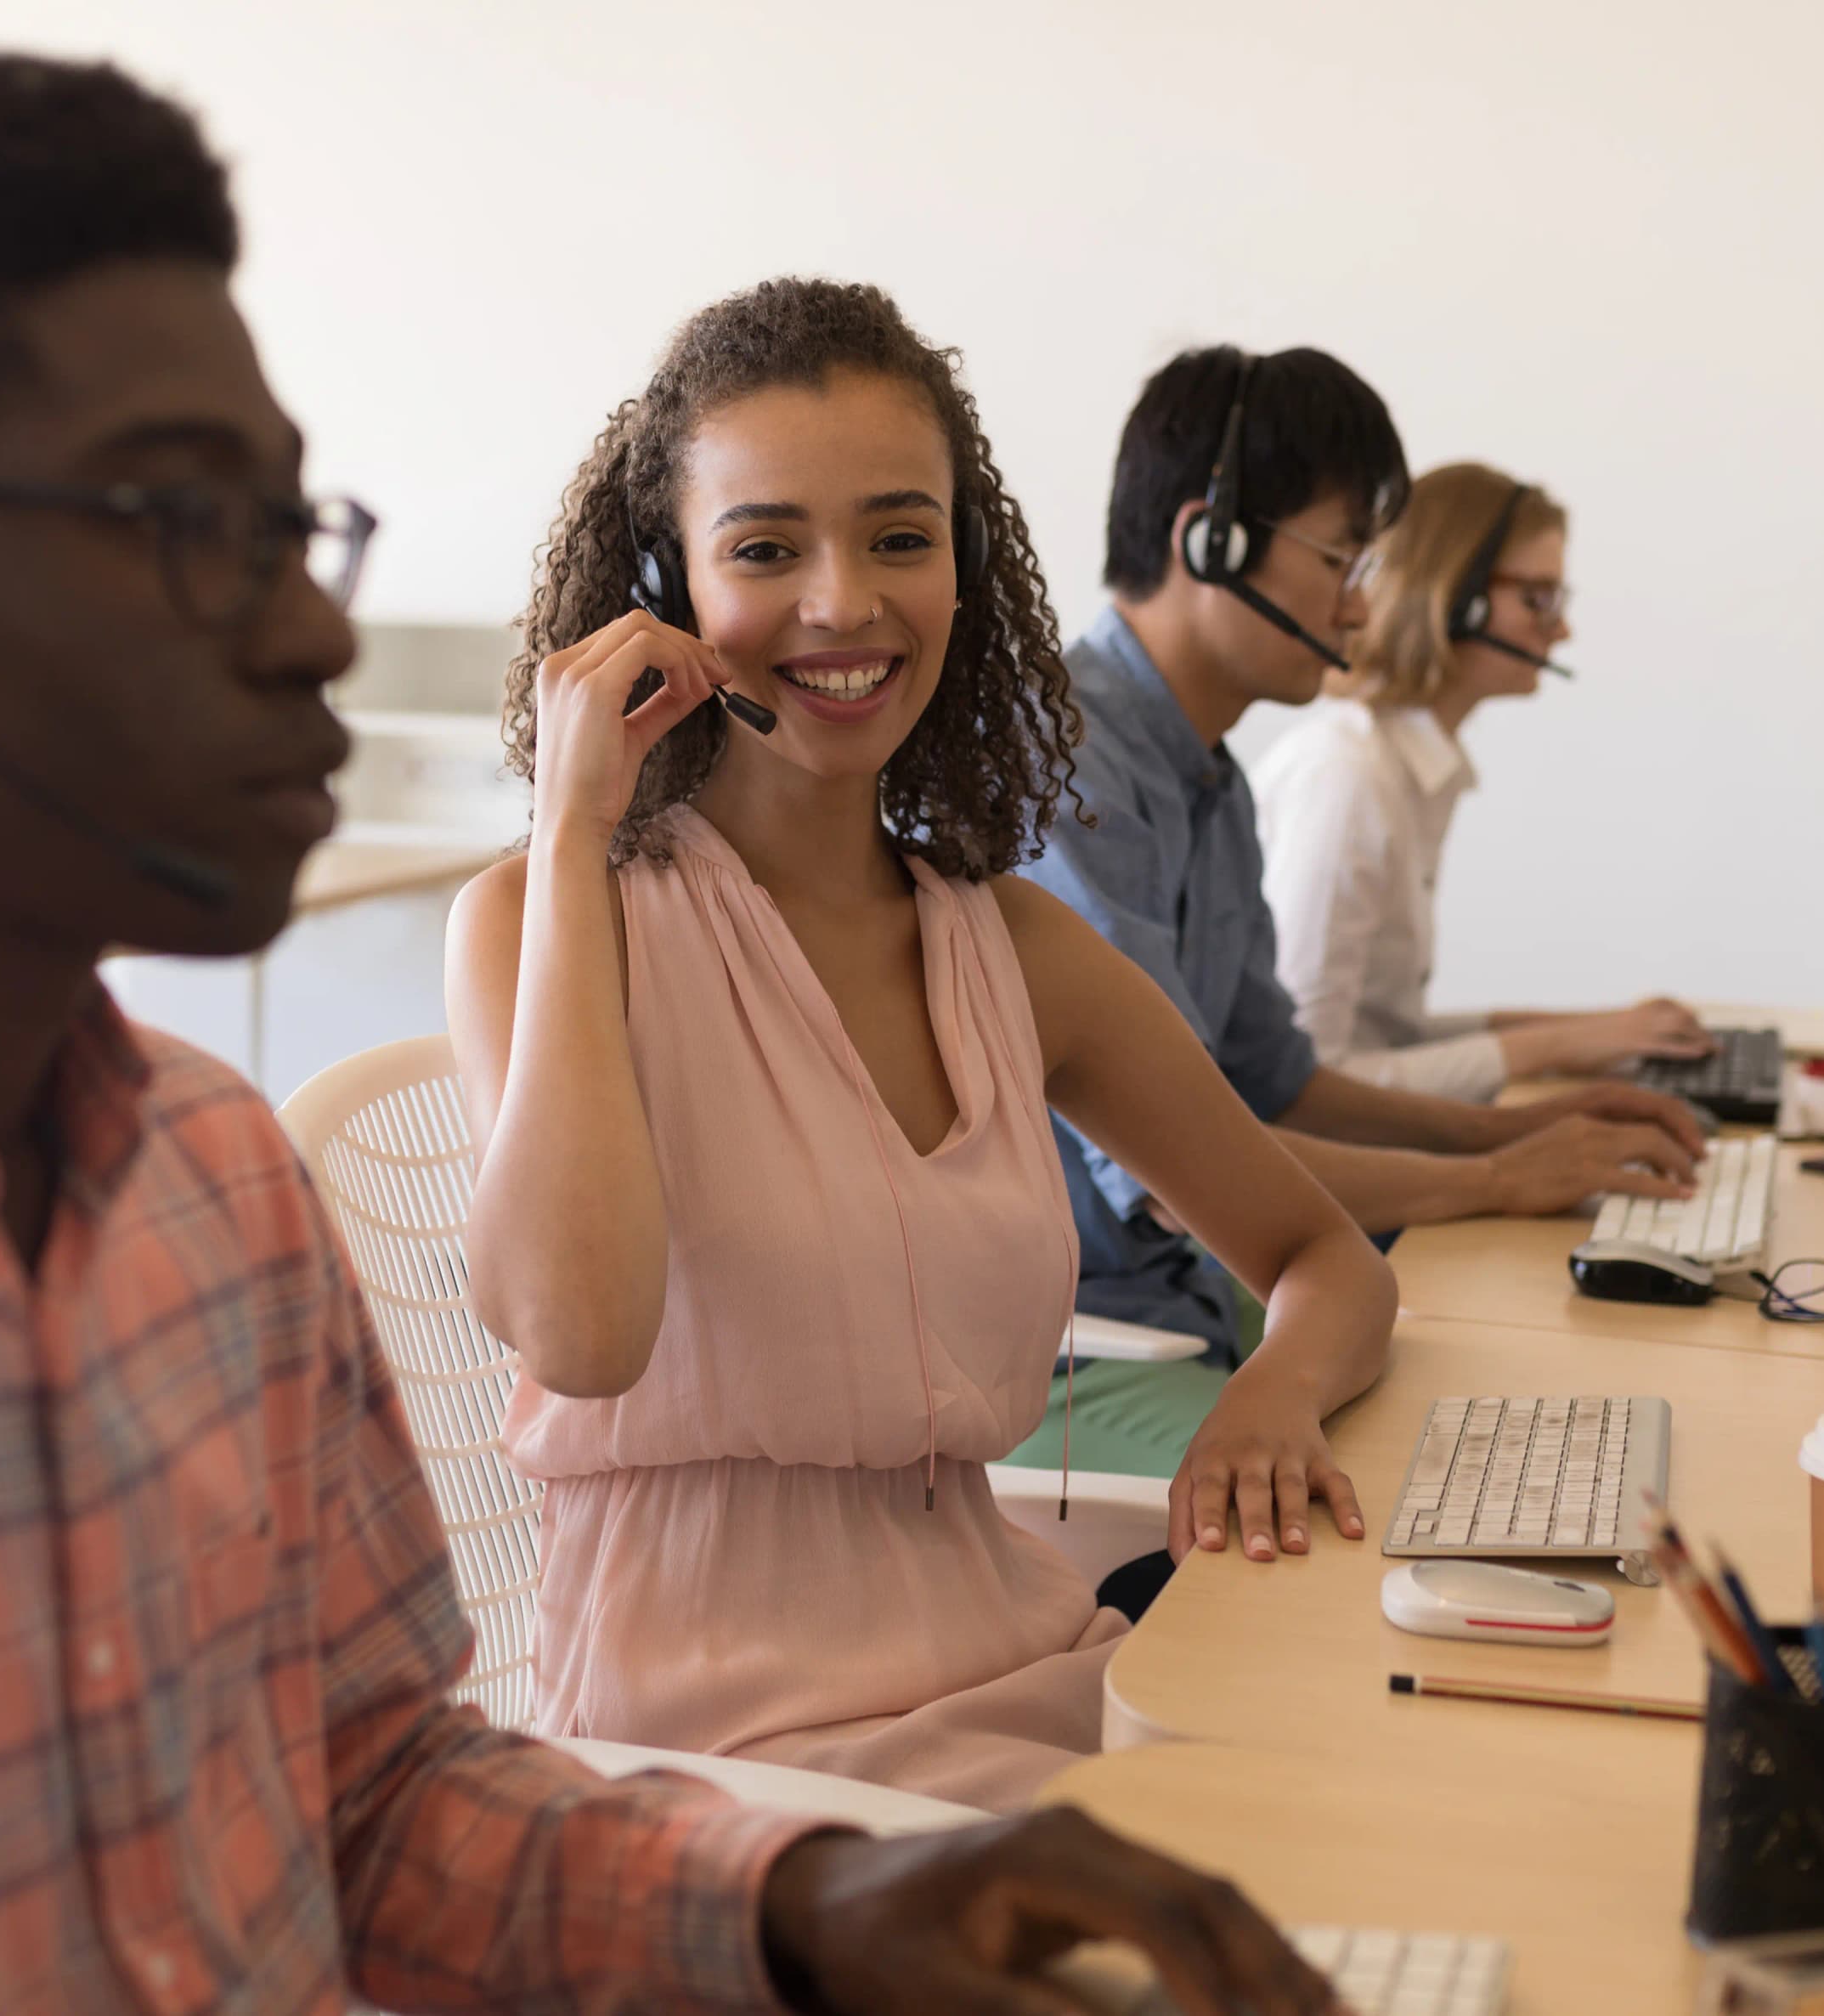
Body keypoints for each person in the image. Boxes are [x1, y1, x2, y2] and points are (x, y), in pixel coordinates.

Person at [0, 42, 1341, 2016]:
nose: (321, 628)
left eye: (292, 523)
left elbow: (375, 1793)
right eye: (182, 523)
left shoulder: (209, 1180)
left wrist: (797, 1906)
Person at [448, 280, 1398, 1810]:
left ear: (967, 568)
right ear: (665, 586)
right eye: (766, 549)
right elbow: (579, 1333)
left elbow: (1328, 1258)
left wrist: (1271, 1399)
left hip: (1019, 1668)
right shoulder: (540, 919)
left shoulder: (1011, 946)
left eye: (901, 537)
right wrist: (572, 827)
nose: (844, 603)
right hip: (725, 1762)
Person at [1015, 347, 1704, 1482]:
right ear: (1210, 542)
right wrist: (1497, 1178)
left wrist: (1518, 1131)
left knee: (1513, 1413)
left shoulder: (1211, 780)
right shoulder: (1068, 770)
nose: (1361, 604)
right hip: (1072, 1350)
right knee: (1422, 1492)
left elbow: (1280, 1083)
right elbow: (1181, 1185)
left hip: (1194, 1305)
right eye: (1342, 559)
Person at [1252, 462, 1712, 1101]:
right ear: (1453, 596)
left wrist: (1599, 1032)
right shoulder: (1347, 777)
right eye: (1538, 599)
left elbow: (1389, 1033)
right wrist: (1556, 1047)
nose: (1562, 629)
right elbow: (1307, 1079)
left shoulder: (1409, 769)